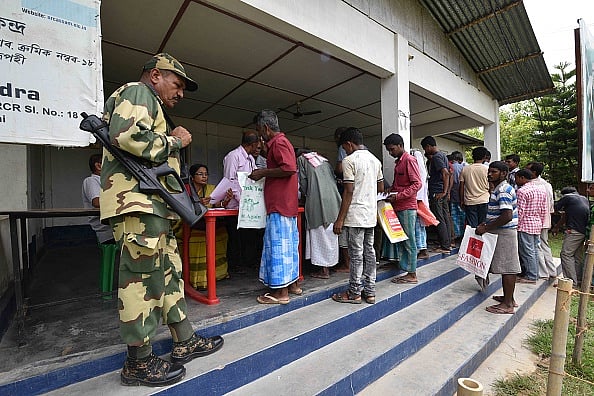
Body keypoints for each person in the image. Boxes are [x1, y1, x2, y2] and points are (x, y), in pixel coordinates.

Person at [100, 53, 223, 386]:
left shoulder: (151, 102)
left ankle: (184, 340)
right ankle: (138, 362)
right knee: (140, 282)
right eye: (177, 84)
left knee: (168, 276)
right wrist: (175, 141)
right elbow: (126, 137)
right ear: (155, 75)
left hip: (153, 207)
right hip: (137, 205)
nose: (180, 93)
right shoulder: (138, 93)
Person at [249, 109, 301, 304]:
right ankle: (293, 285)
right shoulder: (280, 143)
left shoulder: (279, 142)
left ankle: (281, 293)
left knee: (278, 247)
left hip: (279, 205)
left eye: (259, 130)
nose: (259, 134)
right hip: (285, 204)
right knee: (289, 247)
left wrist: (262, 172)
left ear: (265, 128)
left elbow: (288, 168)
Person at [331, 127, 384, 304]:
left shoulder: (349, 160)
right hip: (370, 214)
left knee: (356, 254)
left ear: (349, 144)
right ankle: (370, 292)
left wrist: (340, 219)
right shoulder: (375, 161)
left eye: (345, 148)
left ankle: (354, 293)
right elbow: (381, 188)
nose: (345, 151)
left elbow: (348, 191)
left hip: (355, 215)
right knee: (370, 253)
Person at [476, 161, 520, 314]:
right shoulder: (500, 188)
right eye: (489, 171)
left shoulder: (503, 190)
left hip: (505, 233)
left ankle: (507, 305)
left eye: (493, 172)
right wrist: (487, 222)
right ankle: (509, 298)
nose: (489, 174)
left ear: (503, 173)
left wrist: (486, 228)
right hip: (502, 231)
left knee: (508, 268)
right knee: (506, 267)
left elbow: (506, 216)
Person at [179, 164, 233, 289]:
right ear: (192, 177)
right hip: (193, 225)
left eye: (206, 174)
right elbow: (183, 209)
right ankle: (198, 280)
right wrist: (198, 205)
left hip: (211, 224)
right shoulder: (186, 190)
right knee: (199, 238)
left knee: (222, 232)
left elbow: (217, 204)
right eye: (200, 174)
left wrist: (226, 201)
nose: (204, 177)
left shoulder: (211, 189)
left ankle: (218, 275)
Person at [383, 133, 422, 284]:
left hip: (406, 206)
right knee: (401, 238)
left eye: (392, 149)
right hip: (399, 205)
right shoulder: (399, 162)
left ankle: (412, 274)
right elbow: (400, 184)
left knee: (408, 240)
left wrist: (398, 196)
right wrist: (390, 191)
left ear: (400, 145)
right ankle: (406, 267)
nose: (390, 152)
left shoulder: (409, 160)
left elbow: (417, 184)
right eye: (388, 150)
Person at [297, 150, 341, 279]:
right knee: (330, 235)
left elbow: (303, 183)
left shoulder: (302, 160)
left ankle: (324, 270)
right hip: (333, 200)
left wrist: (306, 195)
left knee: (320, 235)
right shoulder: (324, 160)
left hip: (317, 201)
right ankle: (330, 265)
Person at [223, 131, 262, 272]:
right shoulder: (234, 156)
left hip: (249, 207)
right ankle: (235, 266)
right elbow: (230, 180)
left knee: (249, 237)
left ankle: (247, 263)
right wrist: (242, 200)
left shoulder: (250, 159)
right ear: (252, 144)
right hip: (235, 206)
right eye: (257, 144)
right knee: (235, 238)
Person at [82, 153, 117, 294]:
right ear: (98, 165)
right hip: (106, 230)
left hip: (112, 227)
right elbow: (96, 202)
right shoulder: (91, 181)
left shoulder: (104, 180)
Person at [515, 169, 547, 284]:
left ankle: (531, 276)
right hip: (537, 223)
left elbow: (520, 211)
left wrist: (516, 225)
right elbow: (544, 209)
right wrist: (541, 222)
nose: (515, 180)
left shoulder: (522, 191)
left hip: (525, 225)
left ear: (522, 178)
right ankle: (534, 273)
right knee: (534, 250)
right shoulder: (541, 189)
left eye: (516, 178)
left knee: (527, 251)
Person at [553, 186, 590, 286]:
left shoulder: (568, 197)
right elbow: (566, 216)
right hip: (583, 231)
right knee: (577, 256)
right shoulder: (583, 199)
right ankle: (578, 280)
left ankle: (569, 282)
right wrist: (557, 227)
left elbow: (554, 208)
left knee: (566, 254)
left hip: (574, 231)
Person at [420, 136, 452, 253]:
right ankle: (448, 243)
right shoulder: (443, 155)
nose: (425, 151)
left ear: (428, 146)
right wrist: (446, 191)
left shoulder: (437, 157)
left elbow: (445, 173)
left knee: (439, 218)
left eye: (425, 149)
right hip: (441, 192)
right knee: (445, 217)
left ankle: (444, 246)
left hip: (437, 192)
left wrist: (443, 191)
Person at [525, 162, 556, 280]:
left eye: (528, 170)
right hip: (546, 218)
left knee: (536, 246)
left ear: (534, 172)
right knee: (544, 244)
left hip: (535, 220)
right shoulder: (547, 184)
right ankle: (552, 270)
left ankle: (543, 272)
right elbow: (551, 203)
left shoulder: (531, 185)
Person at [333, 126, 350, 273]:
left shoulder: (343, 148)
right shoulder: (371, 157)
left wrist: (340, 218)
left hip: (350, 200)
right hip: (367, 206)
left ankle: (347, 264)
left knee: (343, 232)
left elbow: (348, 190)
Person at [459, 146, 490, 228]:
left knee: (472, 227)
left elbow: (461, 187)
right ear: (484, 157)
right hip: (484, 200)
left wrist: (461, 200)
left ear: (473, 156)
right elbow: (491, 185)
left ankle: (473, 240)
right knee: (483, 225)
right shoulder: (487, 169)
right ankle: (483, 240)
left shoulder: (465, 169)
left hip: (470, 201)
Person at [411, 149, 430, 260]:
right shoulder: (422, 171)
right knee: (420, 226)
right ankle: (422, 248)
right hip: (420, 200)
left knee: (418, 225)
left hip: (418, 201)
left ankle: (422, 249)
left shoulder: (420, 173)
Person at [449, 151, 466, 240]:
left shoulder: (451, 167)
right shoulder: (464, 167)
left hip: (453, 193)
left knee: (454, 215)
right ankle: (463, 234)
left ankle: (456, 234)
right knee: (463, 215)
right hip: (463, 194)